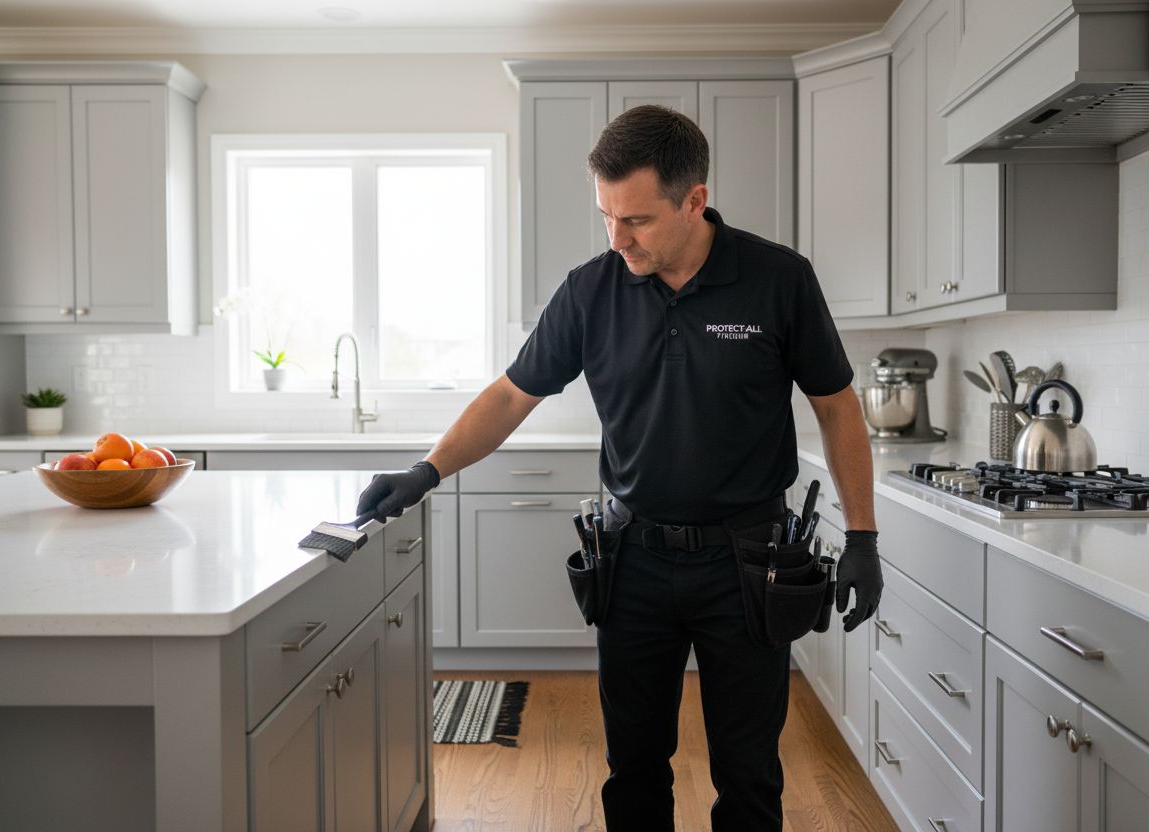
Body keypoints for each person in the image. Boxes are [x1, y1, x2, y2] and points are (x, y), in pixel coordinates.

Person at [356, 104, 882, 831]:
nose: (617, 236)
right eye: (605, 216)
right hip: (632, 558)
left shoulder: (777, 280)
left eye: (634, 219)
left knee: (749, 772)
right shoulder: (591, 289)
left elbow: (835, 403)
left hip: (750, 560)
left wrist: (862, 536)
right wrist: (427, 470)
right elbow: (514, 393)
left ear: (694, 200)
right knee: (632, 769)